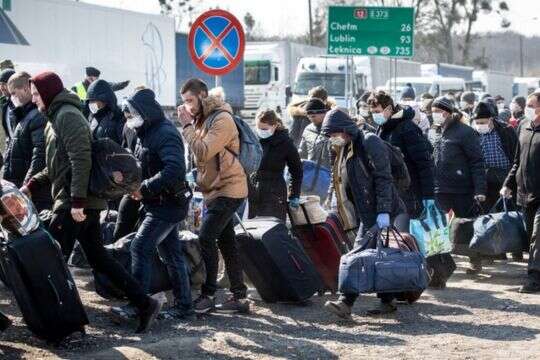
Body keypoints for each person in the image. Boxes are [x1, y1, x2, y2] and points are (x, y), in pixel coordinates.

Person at [23, 71, 161, 333]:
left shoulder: (67, 116)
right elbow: (58, 165)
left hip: (76, 203)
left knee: (51, 260)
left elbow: (81, 159)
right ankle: (145, 303)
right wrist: (31, 185)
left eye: (36, 94)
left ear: (49, 92)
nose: (34, 100)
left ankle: (63, 321)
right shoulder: (54, 118)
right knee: (99, 259)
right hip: (78, 200)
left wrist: (76, 202)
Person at [114, 88, 193, 320]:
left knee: (140, 247)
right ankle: (184, 307)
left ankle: (139, 305)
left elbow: (175, 169)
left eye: (131, 114)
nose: (128, 119)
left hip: (168, 204)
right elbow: (140, 162)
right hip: (156, 202)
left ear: (144, 112)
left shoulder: (165, 133)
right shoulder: (143, 132)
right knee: (171, 254)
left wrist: (144, 188)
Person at [321, 109, 407, 318]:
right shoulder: (347, 147)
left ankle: (345, 302)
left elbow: (383, 178)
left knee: (358, 255)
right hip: (367, 210)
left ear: (344, 130)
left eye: (334, 134)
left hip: (380, 211)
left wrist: (384, 211)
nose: (333, 139)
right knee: (381, 255)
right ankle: (388, 300)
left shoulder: (370, 142)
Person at [177, 78, 249, 314]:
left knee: (207, 237)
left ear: (203, 95)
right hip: (215, 190)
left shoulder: (222, 119)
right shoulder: (203, 119)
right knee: (227, 242)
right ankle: (239, 296)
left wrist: (186, 127)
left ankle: (208, 294)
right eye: (184, 102)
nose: (187, 106)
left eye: (190, 100)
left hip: (230, 188)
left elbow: (204, 150)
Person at [431, 96, 487, 274]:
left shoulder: (465, 132)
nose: (434, 115)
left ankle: (475, 259)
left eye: (437, 112)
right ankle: (441, 263)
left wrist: (479, 189)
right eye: (432, 112)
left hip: (462, 189)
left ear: (446, 112)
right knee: (438, 227)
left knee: (467, 225)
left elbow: (477, 162)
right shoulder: (436, 131)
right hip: (440, 188)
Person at [369, 91, 435, 220]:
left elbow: (424, 163)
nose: (375, 115)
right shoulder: (383, 128)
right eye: (373, 112)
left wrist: (428, 195)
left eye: (377, 111)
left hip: (411, 194)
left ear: (388, 109)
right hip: (395, 194)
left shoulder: (406, 127)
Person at [501, 92, 540, 293]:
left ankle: (534, 278)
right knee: (530, 235)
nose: (528, 108)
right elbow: (517, 161)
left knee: (537, 236)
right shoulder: (524, 128)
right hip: (525, 195)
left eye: (532, 105)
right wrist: (508, 184)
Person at [3, 72, 51, 211]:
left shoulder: (37, 116)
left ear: (25, 89)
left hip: (35, 192)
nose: (12, 98)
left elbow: (39, 155)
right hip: (23, 188)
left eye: (13, 93)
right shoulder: (23, 115)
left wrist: (28, 186)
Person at [249, 109, 302, 221]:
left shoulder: (285, 142)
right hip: (255, 188)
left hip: (274, 190)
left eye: (264, 129)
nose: (261, 131)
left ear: (274, 126)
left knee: (273, 226)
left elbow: (296, 170)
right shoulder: (254, 139)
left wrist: (294, 194)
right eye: (259, 128)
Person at [471, 101, 517, 211]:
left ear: (491, 119)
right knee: (489, 214)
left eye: (482, 122)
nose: (479, 125)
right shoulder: (473, 133)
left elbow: (516, 154)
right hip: (485, 179)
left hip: (505, 177)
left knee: (508, 213)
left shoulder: (506, 130)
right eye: (477, 123)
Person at [86, 79, 125, 144]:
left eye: (94, 100)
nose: (91, 103)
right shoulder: (92, 116)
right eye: (89, 101)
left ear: (104, 100)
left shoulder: (118, 116)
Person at [299, 98, 333, 170]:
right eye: (309, 116)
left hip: (329, 174)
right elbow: (302, 152)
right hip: (311, 174)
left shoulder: (334, 128)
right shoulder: (308, 129)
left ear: (324, 113)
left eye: (314, 116)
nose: (311, 118)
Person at [0, 69, 16, 153]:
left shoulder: (21, 104)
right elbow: (9, 136)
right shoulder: (5, 105)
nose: (2, 87)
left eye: (4, 84)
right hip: (12, 151)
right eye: (0, 84)